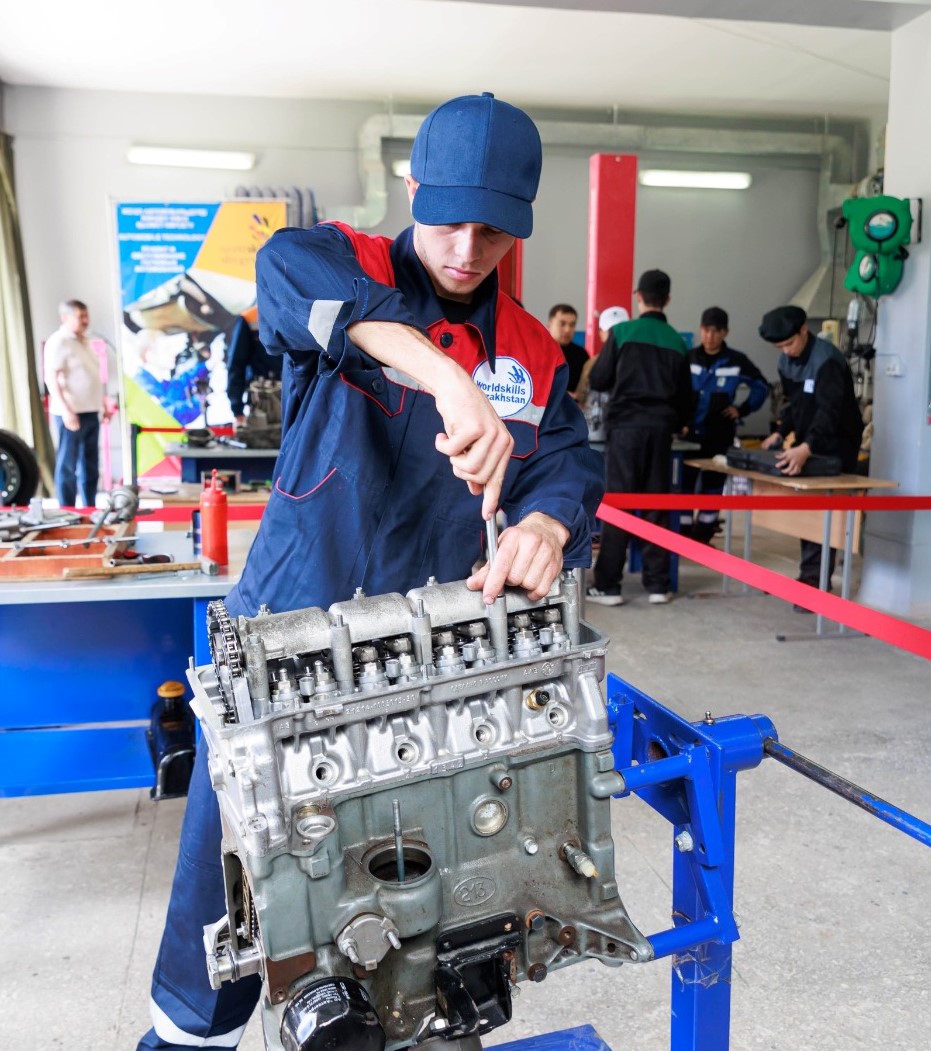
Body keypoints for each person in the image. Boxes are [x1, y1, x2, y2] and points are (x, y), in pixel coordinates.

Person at [137, 93, 604, 1050]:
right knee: (234, 875)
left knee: (414, 866)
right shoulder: (341, 262)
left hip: (426, 658)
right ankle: (191, 1034)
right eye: (447, 219)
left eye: (494, 229)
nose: (467, 248)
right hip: (287, 642)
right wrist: (446, 377)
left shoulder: (534, 350)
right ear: (410, 187)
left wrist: (547, 524)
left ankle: (413, 1016)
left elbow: (567, 464)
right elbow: (284, 278)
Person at [585, 271, 692, 606]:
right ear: (668, 300)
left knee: (620, 504)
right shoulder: (677, 341)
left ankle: (609, 586)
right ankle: (659, 585)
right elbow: (687, 398)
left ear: (638, 296)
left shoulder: (623, 332)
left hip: (626, 430)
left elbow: (600, 380)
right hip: (661, 432)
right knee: (656, 505)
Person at [758, 304, 864, 609]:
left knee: (823, 514)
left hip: (837, 443)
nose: (786, 352)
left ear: (805, 330)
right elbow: (796, 404)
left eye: (789, 343)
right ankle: (809, 577)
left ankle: (814, 585)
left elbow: (828, 412)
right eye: (780, 346)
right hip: (808, 441)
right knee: (808, 512)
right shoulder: (786, 361)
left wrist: (807, 447)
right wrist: (781, 432)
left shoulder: (827, 361)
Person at [681, 306, 770, 543]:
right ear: (700, 330)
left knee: (712, 483)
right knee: (684, 484)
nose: (709, 336)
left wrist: (742, 409)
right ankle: (682, 533)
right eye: (705, 330)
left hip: (719, 434)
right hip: (688, 434)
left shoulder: (736, 361)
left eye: (715, 331)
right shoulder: (688, 357)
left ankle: (704, 532)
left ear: (725, 332)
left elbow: (761, 387)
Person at [43, 299, 112, 507]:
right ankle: (67, 509)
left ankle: (89, 507)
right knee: (68, 465)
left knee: (90, 463)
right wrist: (66, 410)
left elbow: (92, 377)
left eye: (86, 316)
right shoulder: (58, 341)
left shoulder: (84, 341)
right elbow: (51, 379)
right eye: (80, 317)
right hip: (71, 414)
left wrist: (103, 405)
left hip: (91, 411)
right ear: (65, 318)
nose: (85, 321)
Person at [225, 312, 283, 424]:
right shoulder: (249, 318)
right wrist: (237, 408)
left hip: (296, 393)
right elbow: (236, 365)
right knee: (266, 438)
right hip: (264, 398)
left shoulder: (294, 308)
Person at [546, 303, 589, 396]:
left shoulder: (581, 354)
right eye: (562, 324)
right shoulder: (539, 352)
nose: (567, 329)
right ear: (549, 325)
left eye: (572, 325)